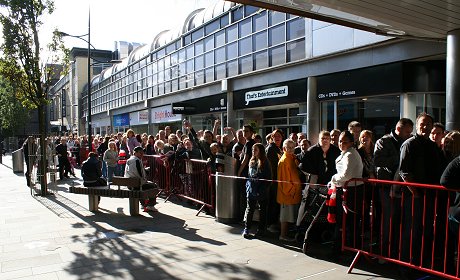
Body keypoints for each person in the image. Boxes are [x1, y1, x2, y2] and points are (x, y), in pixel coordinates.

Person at [398, 112, 445, 268]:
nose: (425, 127)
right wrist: (416, 193)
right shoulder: (409, 144)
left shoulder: (433, 146)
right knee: (412, 231)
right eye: (422, 124)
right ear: (417, 125)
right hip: (415, 197)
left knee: (425, 231)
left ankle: (421, 262)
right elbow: (404, 172)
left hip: (430, 196)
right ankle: (406, 264)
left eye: (428, 124)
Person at [374, 117, 413, 257]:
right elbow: (377, 160)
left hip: (403, 188)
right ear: (398, 129)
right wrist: (399, 159)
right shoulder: (383, 141)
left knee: (401, 220)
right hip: (387, 187)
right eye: (407, 132)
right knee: (389, 221)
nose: (409, 134)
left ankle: (397, 251)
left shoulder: (409, 142)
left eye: (410, 132)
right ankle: (385, 252)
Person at [329, 131, 363, 248]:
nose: (341, 144)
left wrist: (333, 179)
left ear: (351, 143)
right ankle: (344, 247)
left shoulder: (350, 154)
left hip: (351, 191)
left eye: (345, 142)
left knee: (349, 222)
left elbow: (346, 175)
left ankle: (350, 247)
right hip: (345, 189)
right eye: (340, 141)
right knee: (344, 221)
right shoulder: (346, 153)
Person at [242, 143, 272, 239]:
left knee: (262, 210)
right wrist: (249, 187)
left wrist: (262, 189)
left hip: (262, 190)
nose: (253, 152)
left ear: (261, 151)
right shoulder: (252, 160)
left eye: (256, 150)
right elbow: (250, 175)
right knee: (250, 209)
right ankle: (247, 228)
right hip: (251, 189)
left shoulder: (265, 161)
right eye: (252, 150)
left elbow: (268, 178)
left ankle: (261, 229)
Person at [277, 139, 302, 242]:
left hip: (293, 193)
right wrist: (291, 191)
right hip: (287, 194)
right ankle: (283, 235)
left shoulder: (292, 158)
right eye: (289, 148)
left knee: (289, 216)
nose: (291, 149)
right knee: (285, 217)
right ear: (284, 148)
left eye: (293, 147)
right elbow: (284, 181)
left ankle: (285, 234)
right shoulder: (284, 161)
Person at [125, 146, 157, 211]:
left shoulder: (129, 160)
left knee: (142, 186)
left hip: (129, 184)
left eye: (142, 153)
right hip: (137, 184)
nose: (142, 154)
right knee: (154, 186)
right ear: (135, 153)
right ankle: (150, 205)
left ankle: (143, 204)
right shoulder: (137, 160)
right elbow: (141, 175)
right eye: (140, 153)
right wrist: (146, 174)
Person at [266, 128, 284, 232]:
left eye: (279, 136)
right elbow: (269, 166)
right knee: (272, 203)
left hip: (278, 180)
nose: (277, 138)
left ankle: (273, 223)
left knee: (275, 203)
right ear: (272, 137)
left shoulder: (279, 149)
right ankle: (270, 225)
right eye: (275, 136)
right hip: (272, 181)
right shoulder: (271, 148)